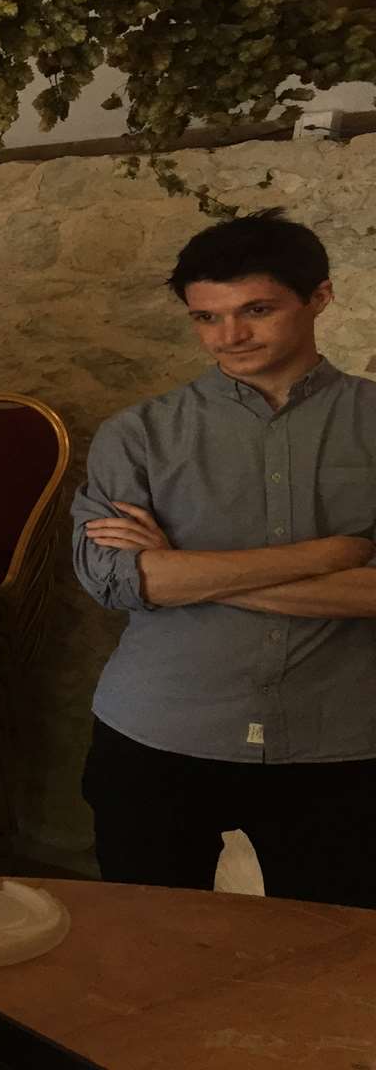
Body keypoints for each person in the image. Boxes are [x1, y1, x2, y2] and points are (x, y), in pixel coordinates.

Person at [73, 208, 376, 908]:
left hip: (341, 741)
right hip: (158, 731)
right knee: (142, 947)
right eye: (206, 318)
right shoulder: (139, 433)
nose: (229, 336)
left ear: (320, 298)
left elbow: (159, 579)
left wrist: (187, 573)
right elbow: (118, 580)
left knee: (327, 962)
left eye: (257, 310)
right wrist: (327, 556)